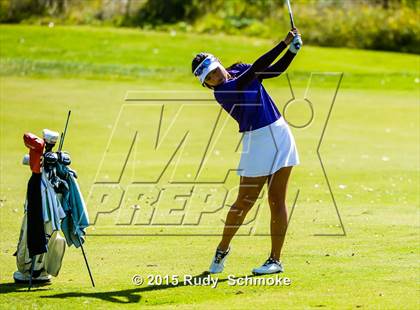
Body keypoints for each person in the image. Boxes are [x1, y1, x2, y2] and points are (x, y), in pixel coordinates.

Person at [191, 28, 302, 275]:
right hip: (257, 141)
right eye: (208, 78)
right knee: (244, 202)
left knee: (277, 200)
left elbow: (272, 70)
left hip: (280, 133)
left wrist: (292, 51)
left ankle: (275, 260)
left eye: (213, 70)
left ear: (218, 63)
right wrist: (283, 42)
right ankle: (222, 250)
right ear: (206, 84)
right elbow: (255, 71)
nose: (214, 77)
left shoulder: (239, 70)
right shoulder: (224, 93)